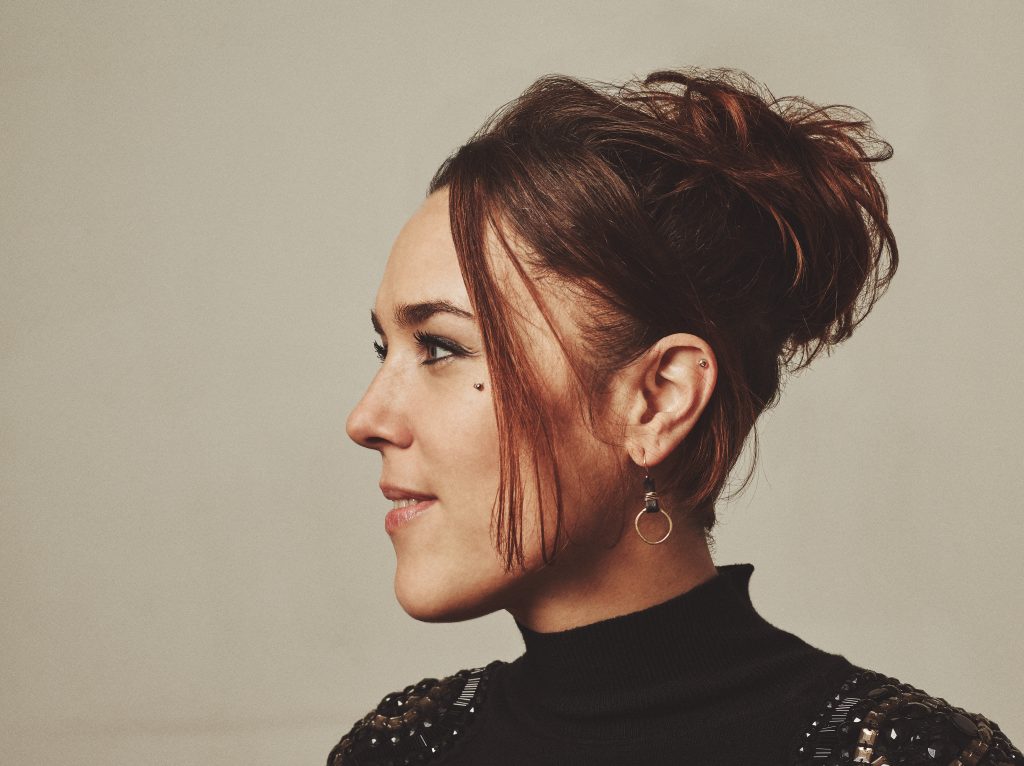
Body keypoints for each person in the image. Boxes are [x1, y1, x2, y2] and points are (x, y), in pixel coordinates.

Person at [331, 68, 1020, 766]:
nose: (365, 419)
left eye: (441, 347)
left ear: (658, 400)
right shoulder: (395, 751)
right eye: (385, 349)